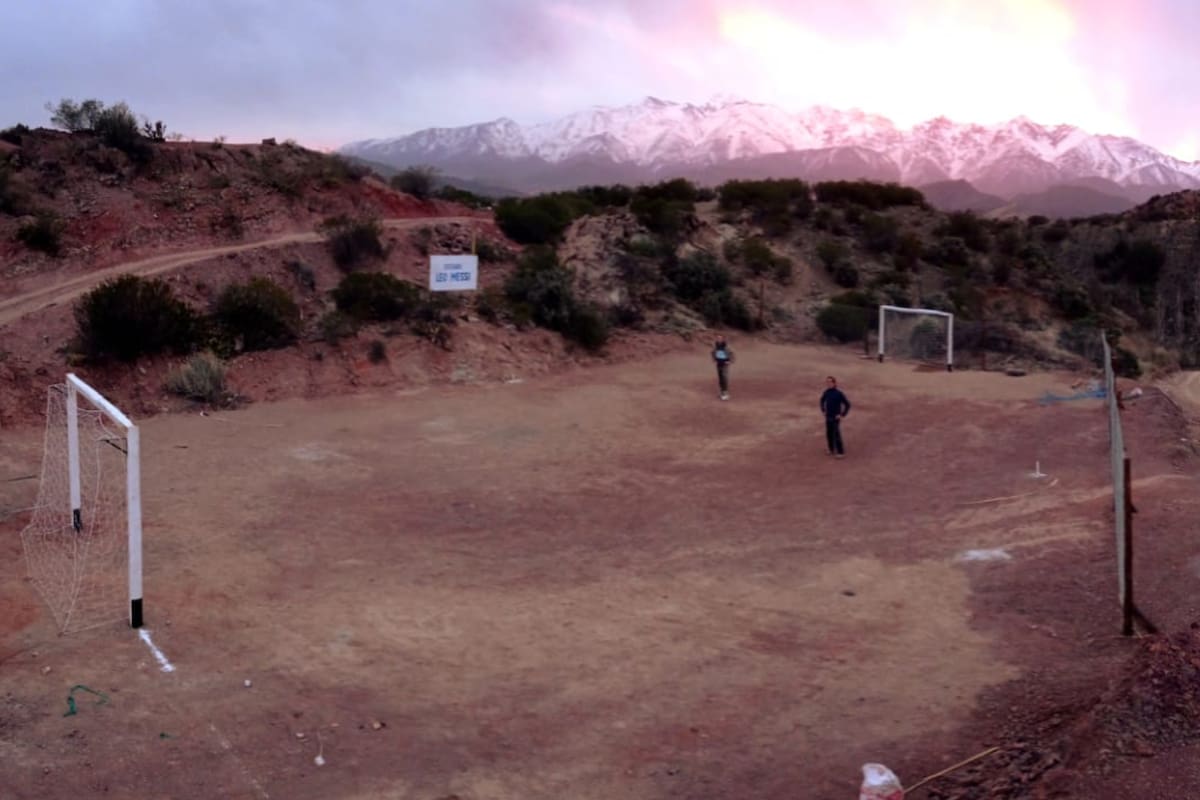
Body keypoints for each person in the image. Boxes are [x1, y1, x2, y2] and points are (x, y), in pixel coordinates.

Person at [820, 375, 851, 457]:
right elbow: (822, 401)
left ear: (834, 383)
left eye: (830, 382)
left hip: (835, 418)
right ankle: (831, 449)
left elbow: (848, 405)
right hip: (828, 416)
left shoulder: (839, 394)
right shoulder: (826, 392)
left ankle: (841, 452)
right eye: (827, 382)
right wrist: (823, 410)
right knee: (829, 433)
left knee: (836, 434)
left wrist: (842, 415)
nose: (828, 383)